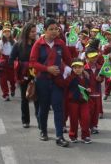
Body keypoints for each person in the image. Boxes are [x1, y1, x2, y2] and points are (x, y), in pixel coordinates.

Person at [30, 18, 72, 147]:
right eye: (51, 29)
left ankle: (60, 136)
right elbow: (32, 63)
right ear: (45, 30)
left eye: (56, 29)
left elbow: (69, 60)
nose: (54, 32)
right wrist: (47, 68)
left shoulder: (60, 44)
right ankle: (43, 130)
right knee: (44, 107)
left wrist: (70, 69)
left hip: (57, 81)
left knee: (58, 107)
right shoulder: (38, 44)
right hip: (42, 81)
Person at [9, 23, 39, 128]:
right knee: (24, 98)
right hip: (23, 76)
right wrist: (20, 67)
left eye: (35, 31)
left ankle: (40, 121)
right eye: (32, 31)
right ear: (26, 32)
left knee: (37, 98)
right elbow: (11, 60)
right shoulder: (18, 45)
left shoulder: (38, 44)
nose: (34, 34)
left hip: (37, 74)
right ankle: (25, 120)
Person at [65, 58, 92, 144]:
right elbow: (65, 87)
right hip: (73, 102)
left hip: (84, 101)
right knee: (73, 119)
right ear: (72, 68)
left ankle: (85, 136)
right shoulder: (70, 77)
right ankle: (73, 135)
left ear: (83, 67)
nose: (77, 69)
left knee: (86, 118)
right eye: (75, 67)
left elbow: (89, 87)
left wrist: (89, 90)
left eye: (79, 67)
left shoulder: (86, 77)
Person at [0, 28, 16, 101]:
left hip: (11, 61)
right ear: (3, 33)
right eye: (5, 32)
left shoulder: (14, 42)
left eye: (8, 32)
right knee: (3, 79)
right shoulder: (0, 42)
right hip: (3, 62)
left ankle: (13, 89)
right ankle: (6, 94)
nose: (7, 33)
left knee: (13, 79)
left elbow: (16, 53)